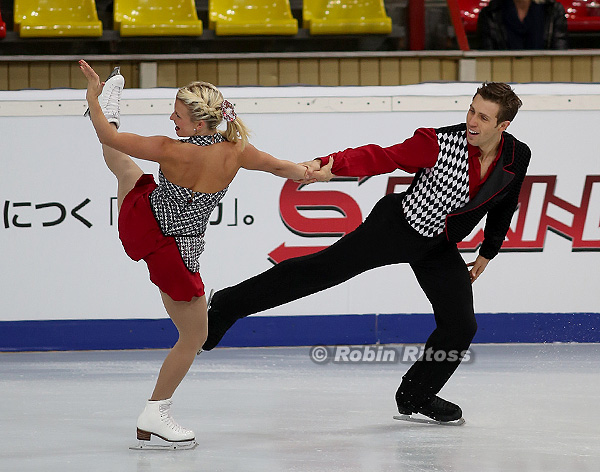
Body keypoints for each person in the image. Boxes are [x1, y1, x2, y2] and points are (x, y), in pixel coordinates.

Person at [201, 82, 531, 425]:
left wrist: (488, 250)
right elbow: (382, 156)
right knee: (320, 271)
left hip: (438, 244)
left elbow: (506, 201)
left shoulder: (516, 156)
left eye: (483, 117)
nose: (472, 122)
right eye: (471, 111)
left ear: (503, 126)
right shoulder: (438, 143)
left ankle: (417, 394)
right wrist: (328, 164)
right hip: (397, 226)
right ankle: (227, 306)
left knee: (461, 325)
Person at [79, 60, 309, 448]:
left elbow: (108, 137)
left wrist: (94, 99)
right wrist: (313, 172)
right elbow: (282, 167)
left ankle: (111, 105)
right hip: (173, 251)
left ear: (200, 124)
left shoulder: (170, 150)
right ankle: (156, 410)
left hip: (146, 217)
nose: (171, 118)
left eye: (178, 115)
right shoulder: (237, 151)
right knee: (195, 335)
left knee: (124, 167)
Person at [477, 0, 568, 50]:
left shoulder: (553, 10)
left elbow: (560, 55)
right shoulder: (490, 14)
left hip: (545, 77)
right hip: (502, 78)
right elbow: (487, 59)